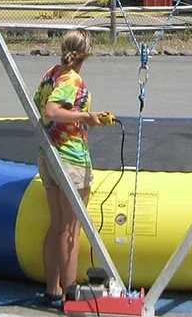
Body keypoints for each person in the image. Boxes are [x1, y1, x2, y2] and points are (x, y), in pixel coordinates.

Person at [34, 29, 111, 307]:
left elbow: (40, 104)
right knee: (70, 229)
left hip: (49, 155)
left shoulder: (51, 73)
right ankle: (70, 294)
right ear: (86, 54)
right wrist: (85, 117)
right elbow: (51, 111)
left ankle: (52, 289)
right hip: (70, 159)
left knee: (57, 225)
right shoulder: (71, 79)